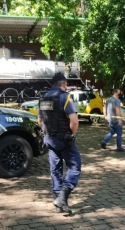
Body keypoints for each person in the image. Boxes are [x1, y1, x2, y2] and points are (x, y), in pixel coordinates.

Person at [38, 73, 81, 214]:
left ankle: (59, 203)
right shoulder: (64, 96)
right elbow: (74, 121)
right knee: (75, 166)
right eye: (66, 85)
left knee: (55, 169)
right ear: (64, 84)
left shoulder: (43, 98)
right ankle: (62, 198)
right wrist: (71, 134)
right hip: (63, 139)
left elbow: (40, 121)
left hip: (49, 138)